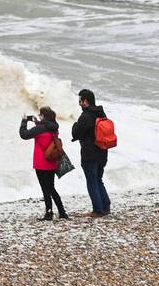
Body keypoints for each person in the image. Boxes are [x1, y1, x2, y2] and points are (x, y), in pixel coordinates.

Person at [20, 106, 68, 220]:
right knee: (51, 187)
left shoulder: (40, 128)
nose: (39, 116)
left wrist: (23, 121)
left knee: (45, 189)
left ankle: (49, 213)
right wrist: (37, 122)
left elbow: (24, 134)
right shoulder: (54, 128)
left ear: (44, 116)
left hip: (41, 163)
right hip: (52, 161)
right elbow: (45, 131)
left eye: (40, 115)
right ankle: (62, 212)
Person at [70, 88, 111, 217]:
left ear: (85, 101)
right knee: (98, 179)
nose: (79, 103)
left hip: (89, 154)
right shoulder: (101, 114)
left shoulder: (86, 116)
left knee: (92, 181)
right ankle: (105, 206)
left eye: (80, 101)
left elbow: (76, 133)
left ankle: (98, 210)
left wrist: (75, 125)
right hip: (102, 152)